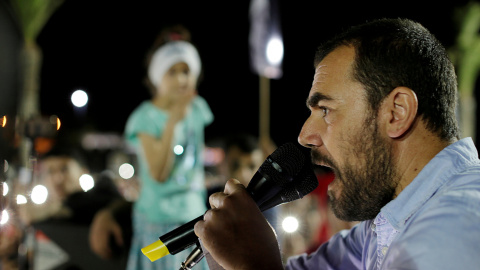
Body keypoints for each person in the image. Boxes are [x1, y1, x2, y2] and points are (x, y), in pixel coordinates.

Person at [193, 18, 480, 269]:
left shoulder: (453, 231)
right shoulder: (389, 220)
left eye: (326, 110)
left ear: (396, 113)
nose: (305, 136)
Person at [122, 24, 213, 270]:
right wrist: (173, 120)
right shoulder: (145, 117)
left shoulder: (198, 109)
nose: (181, 79)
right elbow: (159, 174)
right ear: (156, 76)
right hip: (155, 223)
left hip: (194, 219)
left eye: (186, 70)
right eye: (172, 72)